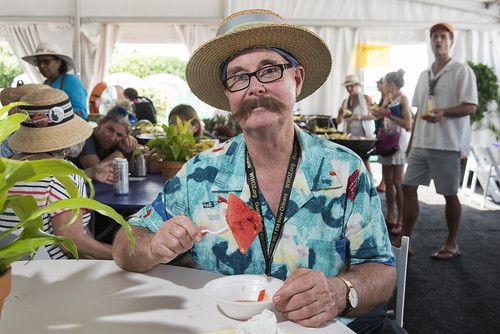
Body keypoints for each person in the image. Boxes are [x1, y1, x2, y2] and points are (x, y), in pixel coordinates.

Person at [112, 9, 404, 333]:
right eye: (239, 77)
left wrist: (341, 292)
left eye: (269, 70)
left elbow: (382, 269)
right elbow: (125, 246)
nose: (254, 87)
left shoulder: (344, 170)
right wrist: (153, 246)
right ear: (228, 95)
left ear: (297, 78)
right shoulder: (199, 174)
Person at [392, 23, 478, 260]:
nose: (438, 40)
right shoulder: (425, 74)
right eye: (435, 37)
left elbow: (471, 106)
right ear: (431, 42)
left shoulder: (462, 71)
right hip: (421, 144)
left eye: (443, 37)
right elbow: (419, 111)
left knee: (449, 194)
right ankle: (405, 238)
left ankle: (452, 242)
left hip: (448, 144)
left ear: (451, 41)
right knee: (408, 188)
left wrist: (444, 112)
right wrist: (411, 143)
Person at [0, 88, 112, 259]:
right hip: (53, 274)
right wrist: (120, 254)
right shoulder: (63, 175)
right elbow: (73, 244)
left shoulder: (6, 167)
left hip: (8, 272)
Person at [370, 70, 412, 235]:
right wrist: (377, 112)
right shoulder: (387, 99)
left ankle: (401, 219)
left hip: (398, 143)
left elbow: (408, 124)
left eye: (385, 83)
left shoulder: (403, 99)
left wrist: (387, 113)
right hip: (386, 141)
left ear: (392, 84)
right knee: (387, 180)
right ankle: (391, 215)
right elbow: (377, 116)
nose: (383, 86)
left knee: (398, 181)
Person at [22, 42, 88, 120]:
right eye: (39, 62)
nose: (41, 66)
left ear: (59, 62)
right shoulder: (43, 84)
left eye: (46, 61)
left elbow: (82, 112)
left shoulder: (71, 81)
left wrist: (50, 113)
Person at [71, 106, 140, 174]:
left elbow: (134, 171)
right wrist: (123, 151)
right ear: (101, 123)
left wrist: (133, 146)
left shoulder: (119, 142)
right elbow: (97, 171)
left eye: (119, 135)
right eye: (110, 129)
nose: (112, 138)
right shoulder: (85, 137)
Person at [336, 74, 375, 176]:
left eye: (351, 86)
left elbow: (375, 116)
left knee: (365, 163)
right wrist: (340, 113)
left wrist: (361, 117)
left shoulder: (366, 99)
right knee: (351, 164)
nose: (349, 88)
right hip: (350, 138)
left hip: (363, 137)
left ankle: (370, 188)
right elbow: (338, 122)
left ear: (357, 86)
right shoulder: (345, 102)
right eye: (347, 86)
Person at [375, 77, 387, 192]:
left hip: (387, 131)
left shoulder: (388, 98)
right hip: (381, 130)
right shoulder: (383, 98)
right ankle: (383, 181)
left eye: (379, 83)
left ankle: (384, 182)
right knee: (383, 159)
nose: (377, 86)